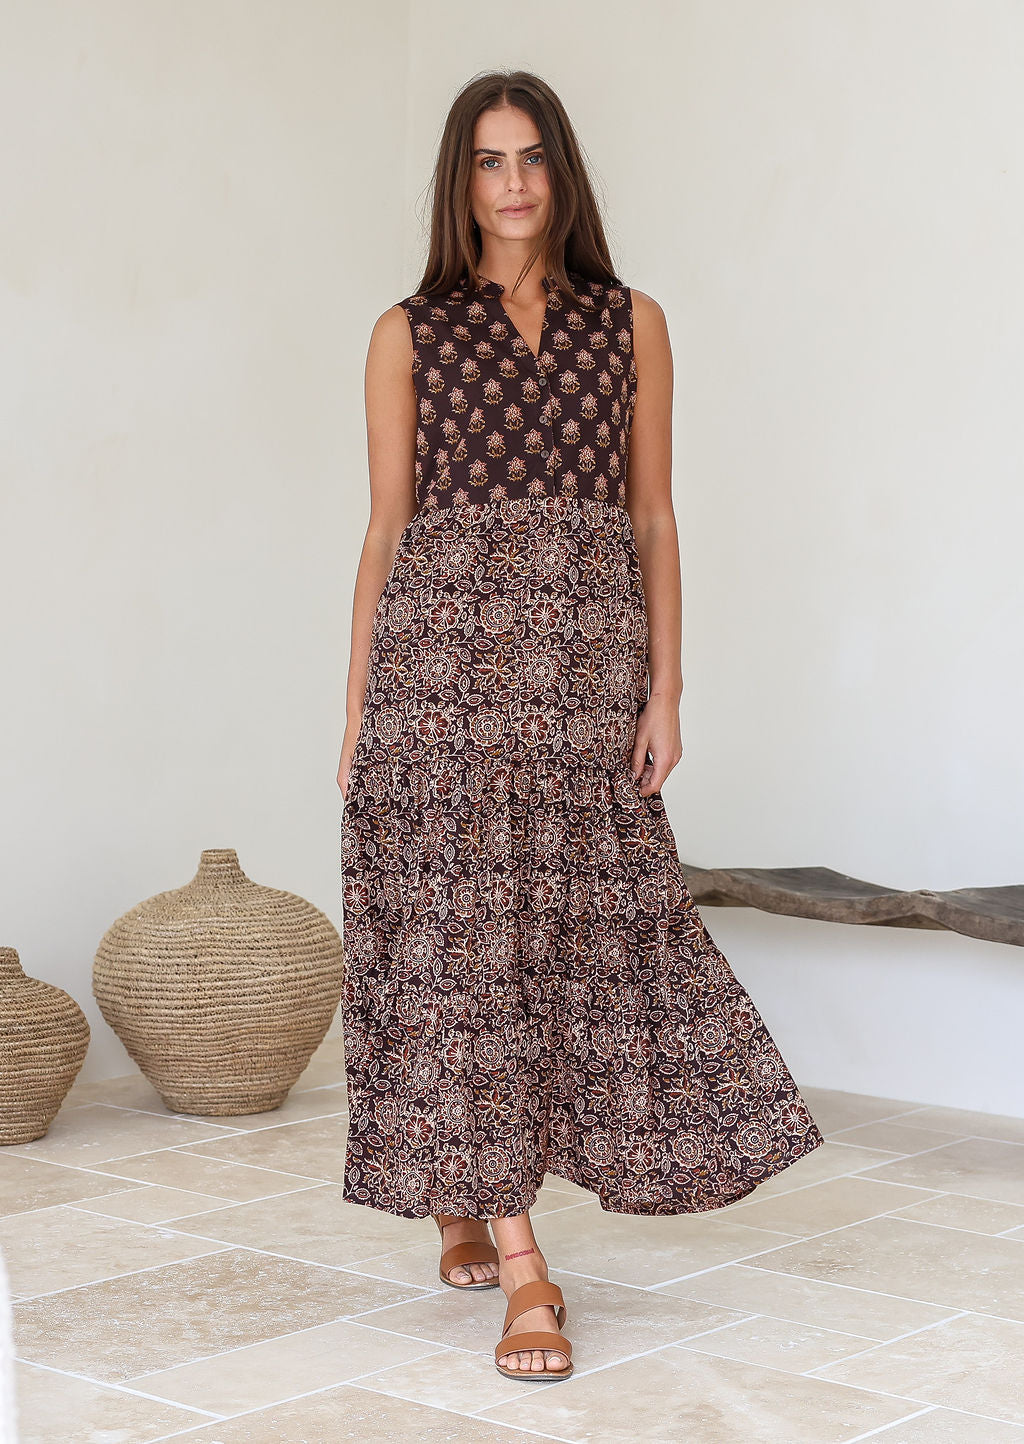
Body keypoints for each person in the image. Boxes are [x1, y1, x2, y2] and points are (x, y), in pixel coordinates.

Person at [338, 69, 824, 1383]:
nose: (512, 185)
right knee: (470, 955)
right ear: (460, 184)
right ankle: (524, 1260)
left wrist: (668, 688)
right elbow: (389, 534)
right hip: (445, 686)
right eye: (488, 163)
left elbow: (655, 516)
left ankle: (463, 1190)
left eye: (532, 158)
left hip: (588, 683)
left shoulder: (632, 323)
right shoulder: (409, 332)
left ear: (563, 174)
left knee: (590, 940)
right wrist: (357, 716)